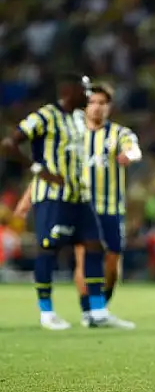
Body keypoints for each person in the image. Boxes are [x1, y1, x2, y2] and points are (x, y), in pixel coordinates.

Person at [0, 73, 111, 330]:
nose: (87, 96)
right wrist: (39, 170)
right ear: (68, 90)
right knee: (48, 250)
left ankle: (96, 311)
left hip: (80, 196)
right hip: (52, 197)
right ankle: (47, 312)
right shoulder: (45, 116)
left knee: (95, 246)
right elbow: (9, 144)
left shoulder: (78, 119)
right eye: (84, 90)